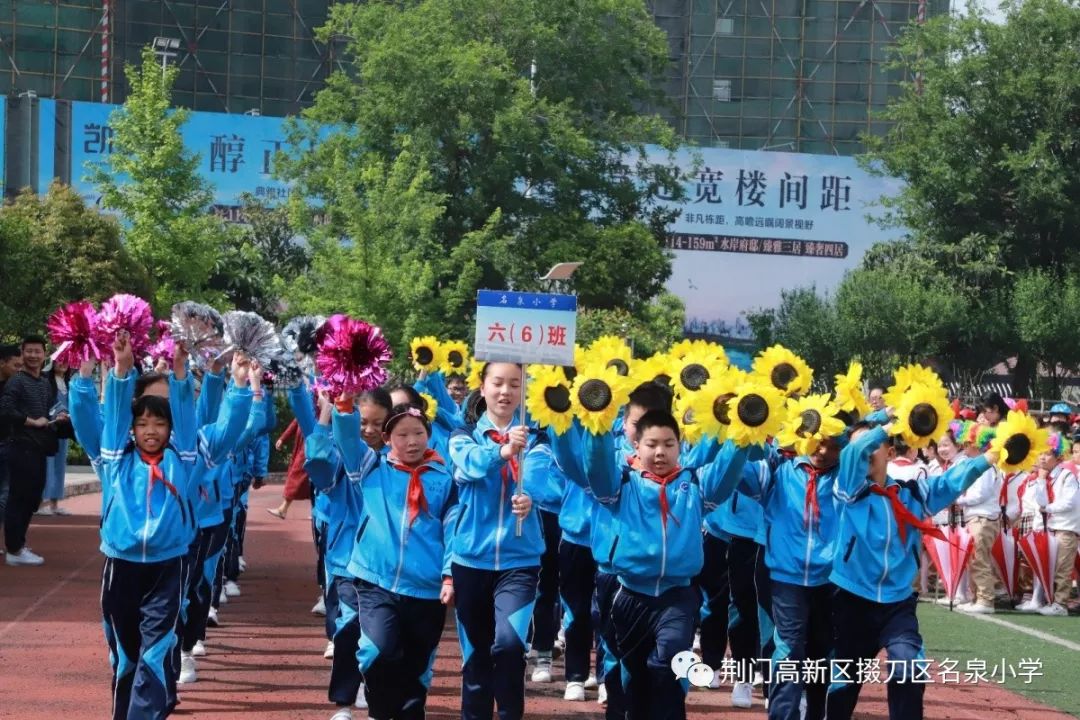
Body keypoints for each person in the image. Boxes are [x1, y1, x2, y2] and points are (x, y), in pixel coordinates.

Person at [558, 409, 752, 720]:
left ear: (680, 447)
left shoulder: (694, 484)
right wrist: (596, 418)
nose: (660, 451)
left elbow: (727, 473)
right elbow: (594, 465)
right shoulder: (621, 483)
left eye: (668, 443)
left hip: (678, 597)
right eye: (651, 444)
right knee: (633, 680)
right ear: (636, 445)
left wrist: (745, 431)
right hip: (630, 596)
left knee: (670, 662)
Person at [826, 419, 998, 720]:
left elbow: (952, 481)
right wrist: (883, 426)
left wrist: (988, 458)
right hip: (851, 598)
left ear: (890, 453)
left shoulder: (912, 493)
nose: (864, 451)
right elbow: (853, 455)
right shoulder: (848, 488)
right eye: (858, 445)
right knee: (842, 684)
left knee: (907, 664)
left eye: (872, 446)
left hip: (897, 602)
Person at [307, 398, 463, 720]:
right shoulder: (371, 467)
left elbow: (453, 532)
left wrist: (449, 575)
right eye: (402, 435)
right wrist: (343, 406)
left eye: (418, 433)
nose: (411, 441)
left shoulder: (444, 480)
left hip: (426, 589)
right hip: (375, 581)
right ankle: (379, 710)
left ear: (428, 435)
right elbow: (348, 439)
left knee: (417, 669)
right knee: (376, 651)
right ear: (388, 439)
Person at [448, 361, 546, 720]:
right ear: (484, 386)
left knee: (508, 646)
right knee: (475, 656)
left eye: (515, 384)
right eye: (498, 383)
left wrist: (530, 497)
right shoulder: (463, 435)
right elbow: (470, 465)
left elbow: (546, 480)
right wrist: (503, 451)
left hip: (519, 562)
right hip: (471, 560)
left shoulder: (537, 438)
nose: (506, 391)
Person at [1, 335, 60, 566]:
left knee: (32, 498)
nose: (33, 356)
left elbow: (50, 408)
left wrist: (58, 416)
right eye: (29, 351)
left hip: (38, 448)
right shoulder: (16, 381)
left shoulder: (44, 382)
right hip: (21, 446)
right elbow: (5, 409)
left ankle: (18, 544)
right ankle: (14, 550)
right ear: (23, 354)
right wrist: (31, 421)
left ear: (44, 354)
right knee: (19, 498)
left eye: (38, 351)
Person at [953, 425, 1003, 614]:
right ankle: (976, 597)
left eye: (967, 443)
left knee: (978, 558)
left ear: (977, 444)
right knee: (975, 558)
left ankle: (985, 599)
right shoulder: (982, 466)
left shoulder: (987, 467)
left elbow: (979, 494)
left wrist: (958, 500)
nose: (964, 447)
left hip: (982, 518)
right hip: (977, 516)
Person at [1032, 432, 1079, 617]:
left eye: (1047, 454)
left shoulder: (1067, 476)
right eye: (1041, 453)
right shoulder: (1046, 477)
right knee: (1053, 566)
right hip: (1053, 527)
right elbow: (1040, 501)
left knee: (1062, 567)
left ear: (1058, 456)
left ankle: (1061, 603)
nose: (1042, 457)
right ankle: (1053, 601)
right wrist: (1041, 480)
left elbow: (1070, 503)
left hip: (1066, 528)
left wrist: (1048, 508)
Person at [40, 360, 74, 515]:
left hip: (64, 430)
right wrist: (56, 414)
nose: (63, 363)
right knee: (47, 465)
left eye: (66, 360)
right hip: (49, 428)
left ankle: (54, 504)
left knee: (60, 466)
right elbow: (43, 404)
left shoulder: (69, 383)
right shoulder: (45, 381)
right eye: (60, 360)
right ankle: (41, 505)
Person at [0, 344, 23, 549]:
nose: (18, 369)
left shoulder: (13, 386)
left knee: (6, 493)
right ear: (2, 363)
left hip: (7, 445)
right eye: (15, 365)